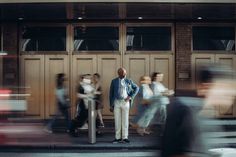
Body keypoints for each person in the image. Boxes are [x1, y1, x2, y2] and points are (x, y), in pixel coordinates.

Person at [161, 64, 236, 157]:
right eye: (225, 87)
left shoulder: (207, 114)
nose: (232, 92)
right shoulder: (184, 109)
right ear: (205, 87)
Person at [109, 68, 139, 143]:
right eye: (122, 73)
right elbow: (111, 93)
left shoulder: (129, 81)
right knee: (117, 120)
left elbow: (136, 88)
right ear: (118, 73)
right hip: (117, 102)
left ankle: (125, 137)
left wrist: (130, 96)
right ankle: (117, 137)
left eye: (125, 73)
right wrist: (111, 105)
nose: (124, 74)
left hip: (125, 102)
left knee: (125, 120)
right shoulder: (114, 81)